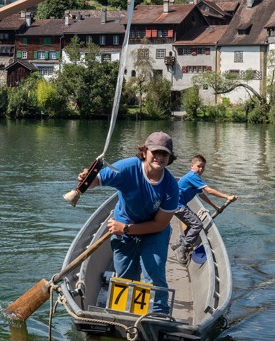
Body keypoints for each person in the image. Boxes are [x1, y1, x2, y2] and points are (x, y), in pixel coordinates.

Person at [77, 131, 179, 316]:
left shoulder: (171, 186)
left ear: (169, 157)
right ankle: (120, 313)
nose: (159, 157)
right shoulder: (128, 168)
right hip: (124, 223)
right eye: (155, 151)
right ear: (145, 151)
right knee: (125, 274)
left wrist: (125, 229)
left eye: (164, 153)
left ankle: (159, 314)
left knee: (153, 269)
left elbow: (159, 225)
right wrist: (87, 179)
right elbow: (98, 179)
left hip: (152, 230)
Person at [174, 155, 236, 265]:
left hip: (179, 204)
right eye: (199, 166)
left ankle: (180, 243)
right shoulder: (193, 176)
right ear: (192, 166)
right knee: (197, 225)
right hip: (178, 205)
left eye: (203, 167)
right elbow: (209, 191)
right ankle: (182, 249)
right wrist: (227, 197)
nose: (201, 169)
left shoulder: (194, 177)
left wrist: (215, 207)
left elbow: (202, 195)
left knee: (193, 222)